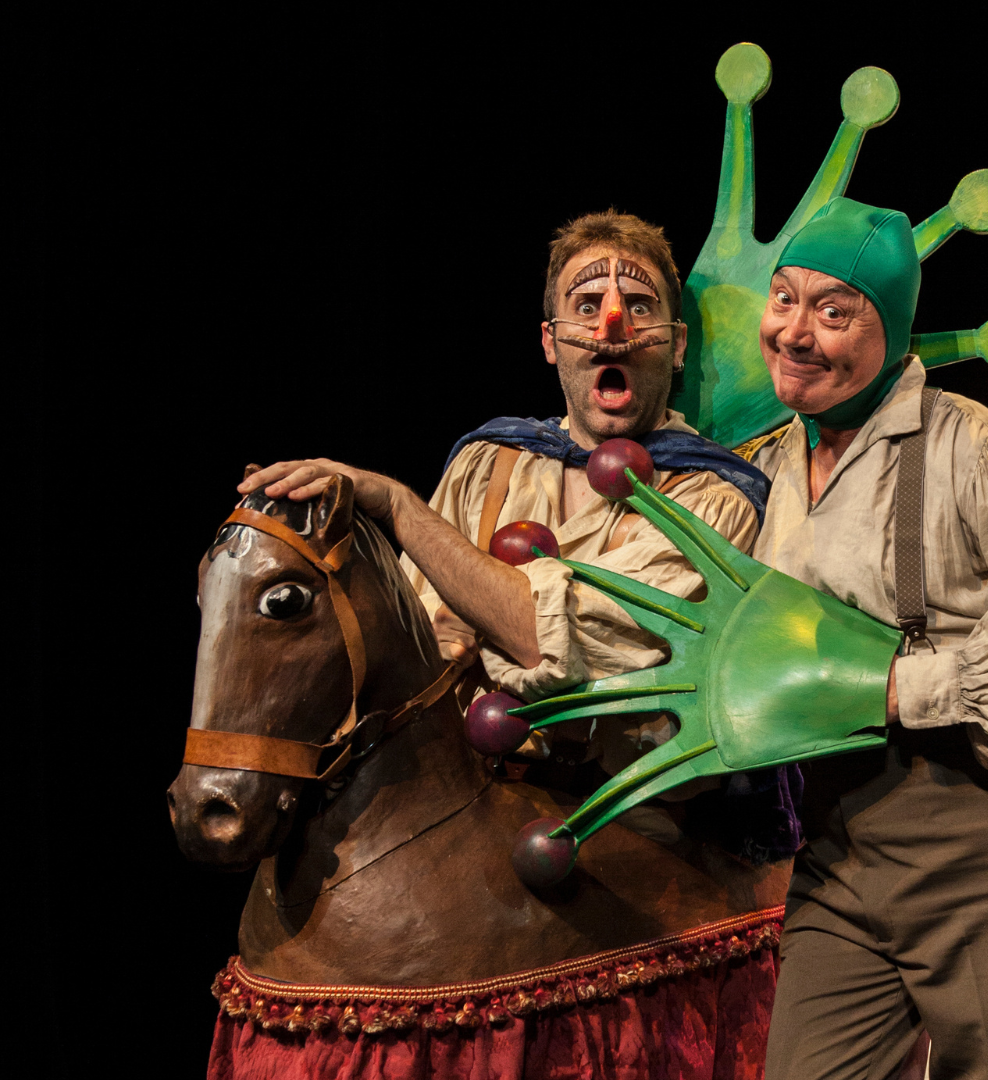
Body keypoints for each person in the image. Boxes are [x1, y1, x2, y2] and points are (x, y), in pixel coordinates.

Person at [738, 198, 988, 1079]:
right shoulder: (765, 468)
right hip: (837, 844)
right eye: (784, 300)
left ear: (891, 331)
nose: (796, 333)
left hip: (984, 837)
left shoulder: (973, 448)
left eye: (834, 311)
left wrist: (907, 688)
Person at [240, 210, 799, 854]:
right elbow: (410, 654)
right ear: (550, 341)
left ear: (676, 346)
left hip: (630, 836)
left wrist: (400, 509)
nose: (612, 327)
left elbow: (558, 642)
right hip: (457, 806)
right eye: (585, 306)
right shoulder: (487, 464)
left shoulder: (716, 501)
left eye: (640, 307)